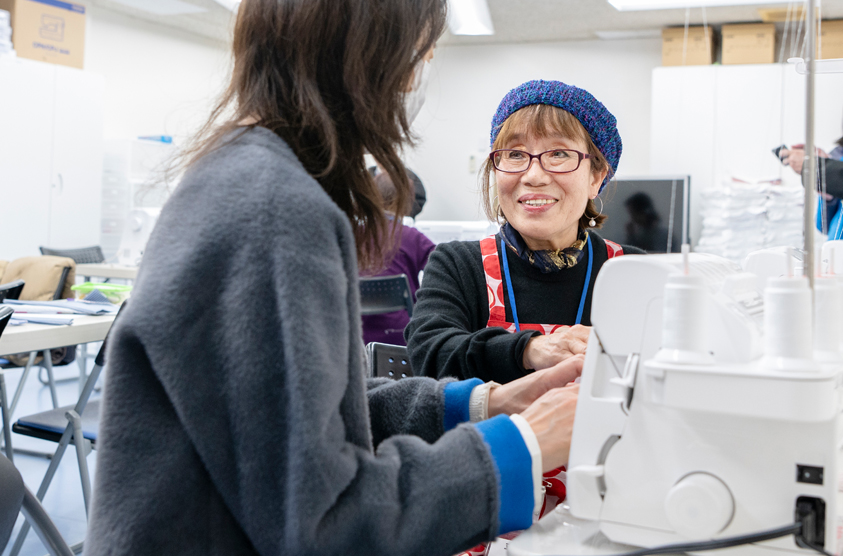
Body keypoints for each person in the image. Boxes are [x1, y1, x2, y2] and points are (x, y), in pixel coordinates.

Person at [84, 2, 583, 556]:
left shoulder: (248, 174)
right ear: (368, 49)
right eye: (417, 47)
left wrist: (481, 405)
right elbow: (324, 523)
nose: (418, 70)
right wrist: (525, 443)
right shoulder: (274, 208)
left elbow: (299, 412)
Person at [406, 80, 644, 384]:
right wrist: (529, 349)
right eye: (515, 154)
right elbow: (429, 355)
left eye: (558, 154)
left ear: (596, 177)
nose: (533, 175)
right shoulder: (459, 265)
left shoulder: (631, 271)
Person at [361, 172, 436, 346]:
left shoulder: (354, 234)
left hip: (357, 334)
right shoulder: (412, 237)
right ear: (406, 201)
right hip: (401, 336)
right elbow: (443, 268)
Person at [782, 137, 843, 239]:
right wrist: (829, 198)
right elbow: (824, 227)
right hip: (834, 250)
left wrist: (818, 166)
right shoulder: (839, 154)